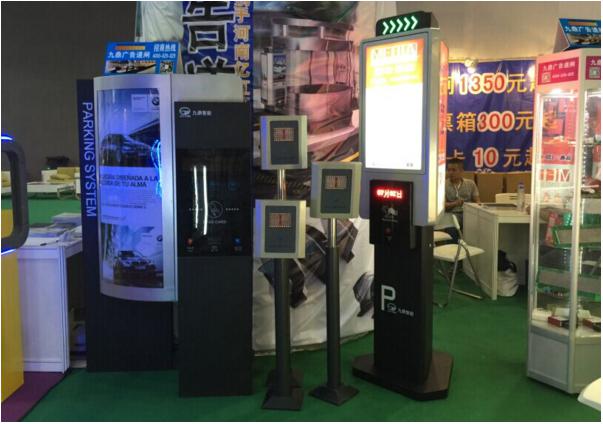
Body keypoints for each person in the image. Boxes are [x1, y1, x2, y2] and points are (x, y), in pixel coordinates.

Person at [443, 158, 481, 242]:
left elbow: (477, 202)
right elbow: (443, 206)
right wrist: (455, 203)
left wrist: (473, 207)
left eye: (454, 170)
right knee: (451, 228)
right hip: (451, 214)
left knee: (476, 226)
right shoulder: (443, 185)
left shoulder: (470, 183)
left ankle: (470, 248)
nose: (450, 172)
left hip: (468, 213)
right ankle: (452, 249)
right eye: (449, 170)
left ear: (461, 171)